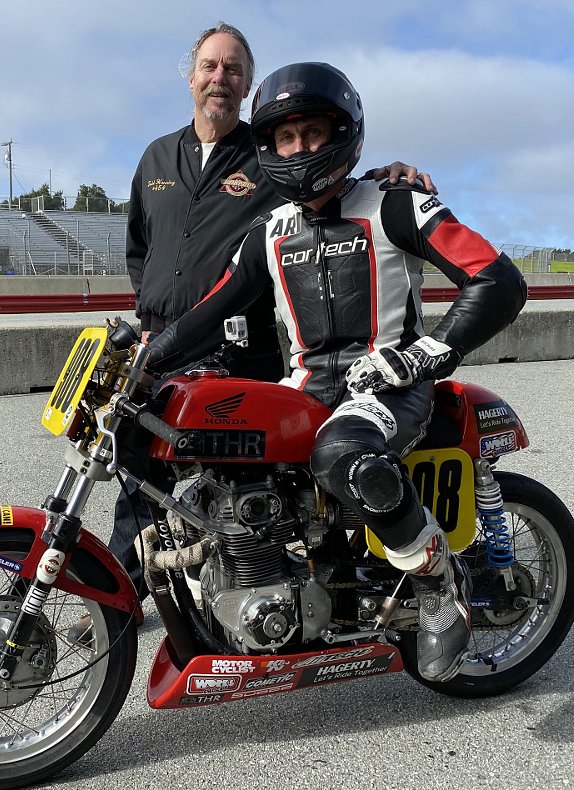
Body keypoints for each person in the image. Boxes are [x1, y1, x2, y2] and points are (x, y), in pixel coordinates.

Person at [147, 61, 527, 682]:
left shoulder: (398, 205)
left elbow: (497, 279)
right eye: (285, 138)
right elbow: (206, 311)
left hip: (391, 386)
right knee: (216, 455)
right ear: (269, 147)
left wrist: (430, 352)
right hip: (305, 391)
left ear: (342, 134)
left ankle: (434, 582)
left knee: (340, 450)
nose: (299, 149)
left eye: (313, 134)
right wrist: (145, 357)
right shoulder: (267, 232)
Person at [110, 23, 436, 605]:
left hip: (237, 343)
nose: (219, 78)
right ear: (191, 78)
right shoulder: (157, 156)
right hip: (167, 336)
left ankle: (287, 582)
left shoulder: (268, 155)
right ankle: (123, 595)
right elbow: (139, 246)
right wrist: (152, 312)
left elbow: (325, 185)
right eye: (209, 66)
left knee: (256, 472)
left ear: (247, 84)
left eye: (232, 69)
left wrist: (389, 177)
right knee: (137, 466)